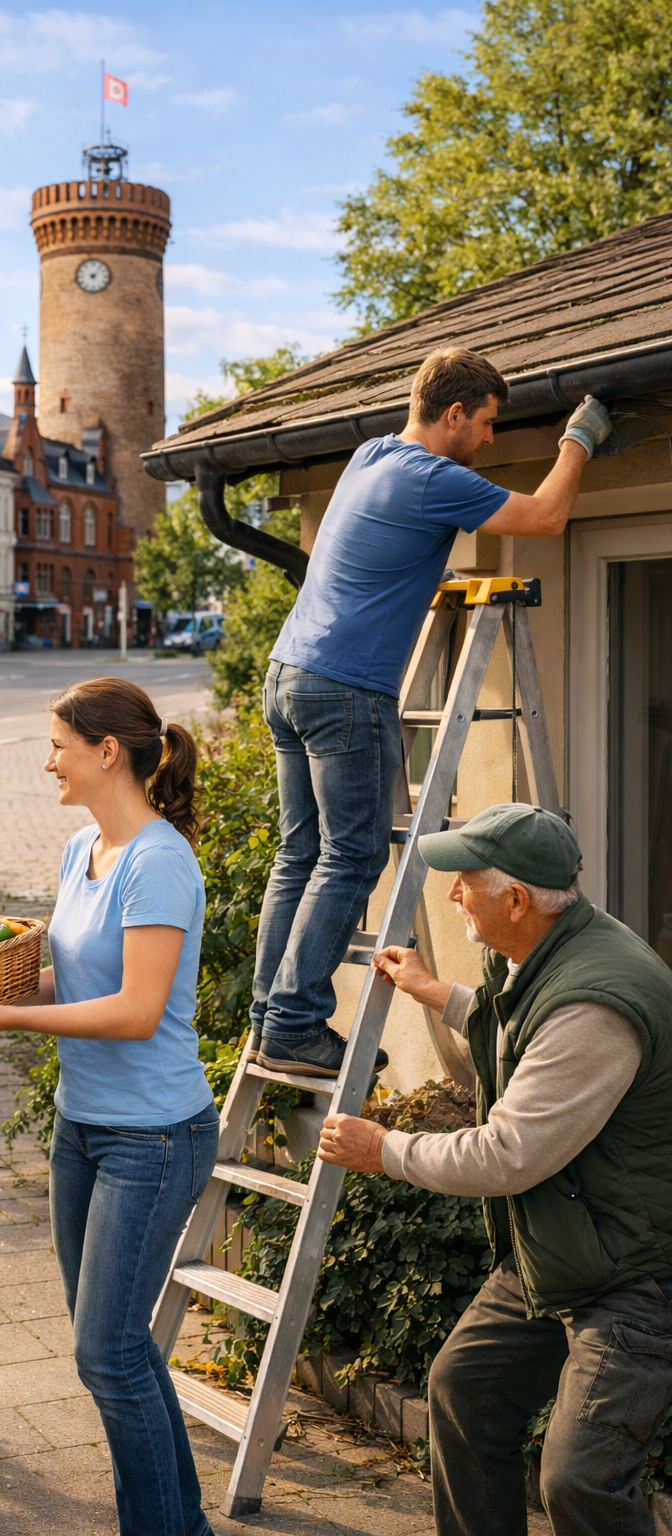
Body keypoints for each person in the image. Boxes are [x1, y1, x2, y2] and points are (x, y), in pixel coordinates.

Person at [250, 347, 613, 1079]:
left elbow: (371, 548)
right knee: (350, 858)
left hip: (289, 674)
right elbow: (546, 516)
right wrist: (580, 437)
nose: (488, 440)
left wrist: (422, 572)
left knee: (300, 853)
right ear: (452, 414)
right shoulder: (434, 478)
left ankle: (269, 1016)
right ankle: (294, 1023)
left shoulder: (371, 455)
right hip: (347, 688)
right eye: (484, 424)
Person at [317, 803, 672, 1536]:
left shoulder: (595, 1002)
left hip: (636, 1269)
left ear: (516, 899)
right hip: (568, 1240)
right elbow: (522, 1028)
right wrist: (437, 993)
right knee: (465, 1391)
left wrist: (382, 1150)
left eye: (465, 882)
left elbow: (508, 1153)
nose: (451, 895)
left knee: (581, 1483)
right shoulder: (540, 952)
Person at [0, 677, 218, 1536]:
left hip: (154, 1137)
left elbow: (134, 1010)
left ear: (105, 752)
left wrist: (9, 1015)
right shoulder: (80, 850)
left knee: (108, 1352)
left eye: (56, 745)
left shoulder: (160, 861)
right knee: (118, 1350)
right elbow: (77, 983)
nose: (47, 760)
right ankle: (173, 1522)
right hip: (82, 1128)